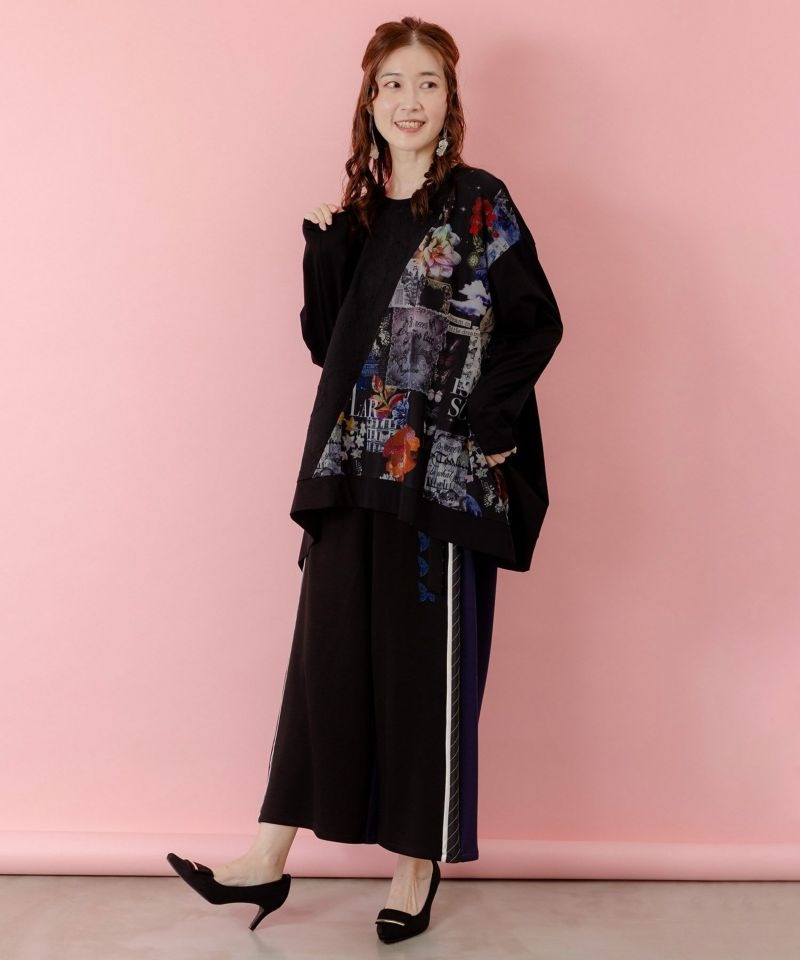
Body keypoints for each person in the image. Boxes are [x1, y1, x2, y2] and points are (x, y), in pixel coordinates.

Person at [167, 15, 562, 944]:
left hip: (443, 483)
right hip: (350, 469)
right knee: (327, 659)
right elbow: (327, 345)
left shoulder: (480, 202)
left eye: (427, 82)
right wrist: (320, 250)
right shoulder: (355, 218)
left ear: (449, 99)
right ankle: (266, 859)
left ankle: (416, 864)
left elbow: (536, 321)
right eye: (393, 84)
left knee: (427, 672)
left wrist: (491, 424)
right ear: (370, 101)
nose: (409, 100)